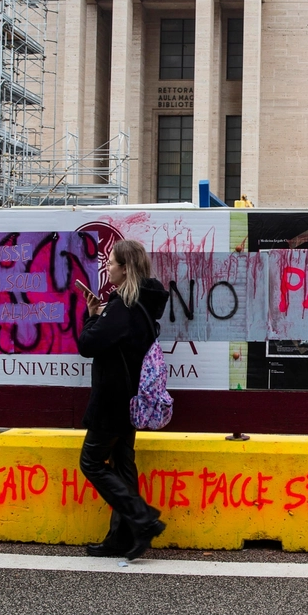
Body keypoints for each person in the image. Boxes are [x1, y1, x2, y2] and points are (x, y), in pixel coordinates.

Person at [76, 239, 170, 559]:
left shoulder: (123, 306)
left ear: (125, 268)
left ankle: (143, 519)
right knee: (123, 464)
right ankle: (121, 536)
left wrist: (91, 317)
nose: (108, 267)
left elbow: (88, 344)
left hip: (113, 400)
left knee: (91, 462)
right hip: (130, 400)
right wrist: (99, 314)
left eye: (112, 263)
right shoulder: (144, 302)